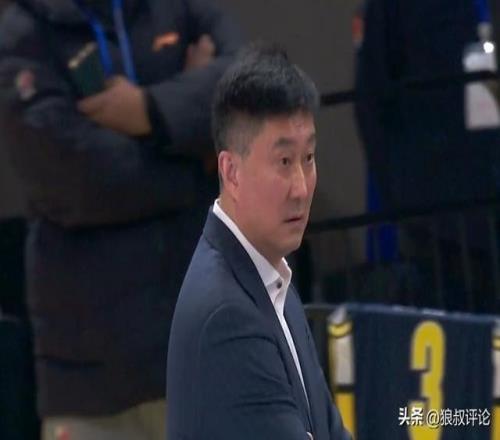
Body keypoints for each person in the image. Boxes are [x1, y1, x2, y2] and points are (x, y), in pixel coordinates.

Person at [0, 0, 242, 439]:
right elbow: (76, 179)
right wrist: (197, 156)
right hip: (95, 383)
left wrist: (149, 110)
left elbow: (250, 91)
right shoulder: (24, 31)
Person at [167, 43, 352, 440]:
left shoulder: (269, 278)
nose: (301, 188)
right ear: (231, 172)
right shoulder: (227, 315)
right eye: (284, 162)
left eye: (309, 158)